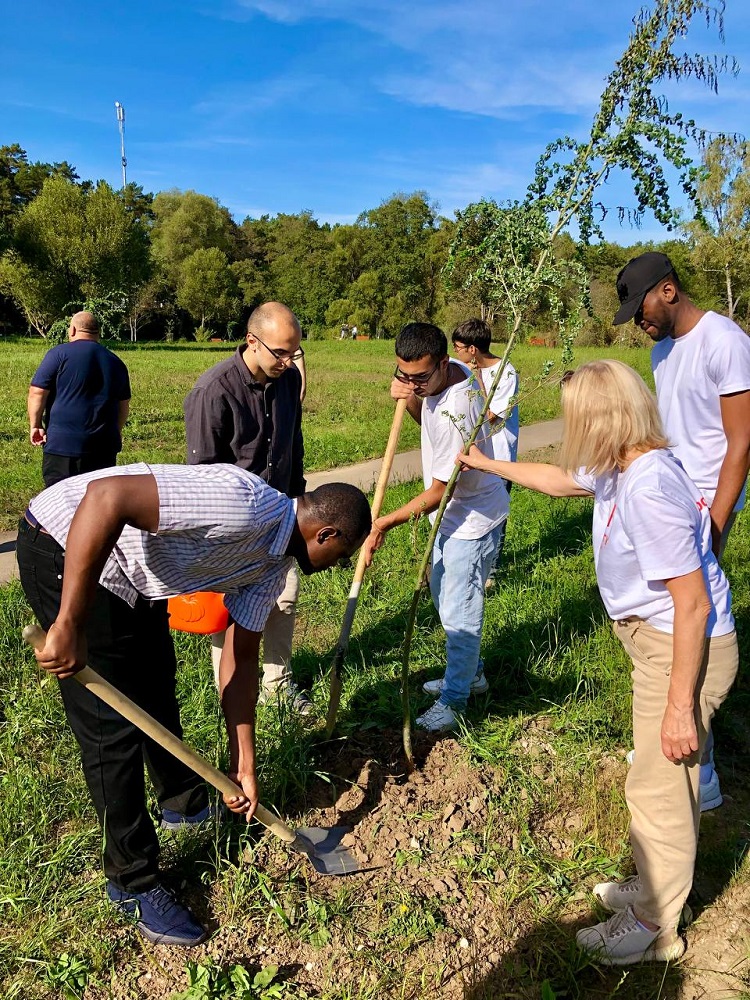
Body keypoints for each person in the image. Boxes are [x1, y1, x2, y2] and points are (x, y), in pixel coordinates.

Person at [17, 464, 371, 947]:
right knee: (110, 728)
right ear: (326, 533)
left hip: (133, 577)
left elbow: (241, 660)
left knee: (157, 681)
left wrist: (242, 764)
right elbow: (106, 498)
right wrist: (70, 621)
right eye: (341, 555)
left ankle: (183, 804)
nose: (337, 565)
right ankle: (131, 881)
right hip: (67, 539)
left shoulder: (272, 568)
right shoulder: (244, 505)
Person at [459, 360, 738, 965]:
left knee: (657, 787)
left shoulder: (649, 488)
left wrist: (679, 707)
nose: (569, 429)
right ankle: (655, 882)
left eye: (575, 418)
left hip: (678, 647)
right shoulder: (623, 466)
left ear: (602, 418)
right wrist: (488, 464)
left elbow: (690, 606)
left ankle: (655, 925)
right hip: (658, 642)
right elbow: (560, 479)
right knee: (665, 780)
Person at [613, 251, 750, 810]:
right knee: (669, 622)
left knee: (695, 618)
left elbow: (740, 442)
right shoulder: (662, 352)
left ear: (667, 290)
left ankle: (704, 771)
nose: (638, 321)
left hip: (709, 504)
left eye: (639, 307)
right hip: (674, 502)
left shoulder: (725, 342)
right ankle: (672, 740)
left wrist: (716, 524)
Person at [363, 322, 509, 732]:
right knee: (446, 600)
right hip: (453, 516)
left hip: (471, 520)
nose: (412, 384)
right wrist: (410, 398)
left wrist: (386, 522)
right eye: (403, 375)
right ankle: (472, 672)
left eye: (420, 377)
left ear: (444, 362)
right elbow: (423, 418)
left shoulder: (458, 407)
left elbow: (439, 491)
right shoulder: (440, 382)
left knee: (460, 611)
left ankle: (456, 698)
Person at [184, 303, 310, 713]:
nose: (289, 362)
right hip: (234, 528)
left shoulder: (288, 381)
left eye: (295, 352)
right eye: (281, 353)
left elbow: (293, 443)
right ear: (252, 342)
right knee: (233, 613)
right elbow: (201, 477)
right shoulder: (213, 391)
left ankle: (278, 685)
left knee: (282, 601)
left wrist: (298, 503)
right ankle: (232, 693)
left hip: (281, 515)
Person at [27, 311, 131, 487]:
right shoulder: (116, 361)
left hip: (62, 445)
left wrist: (35, 425)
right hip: (103, 447)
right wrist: (116, 431)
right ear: (98, 332)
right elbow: (123, 404)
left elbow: (37, 392)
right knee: (97, 503)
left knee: (59, 499)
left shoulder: (58, 354)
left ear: (73, 330)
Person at [451, 318, 519, 589]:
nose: (455, 352)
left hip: (498, 457)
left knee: (495, 514)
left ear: (472, 350)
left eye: (458, 347)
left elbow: (488, 415)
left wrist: (476, 377)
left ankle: (490, 573)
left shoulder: (507, 373)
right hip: (473, 455)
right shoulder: (462, 368)